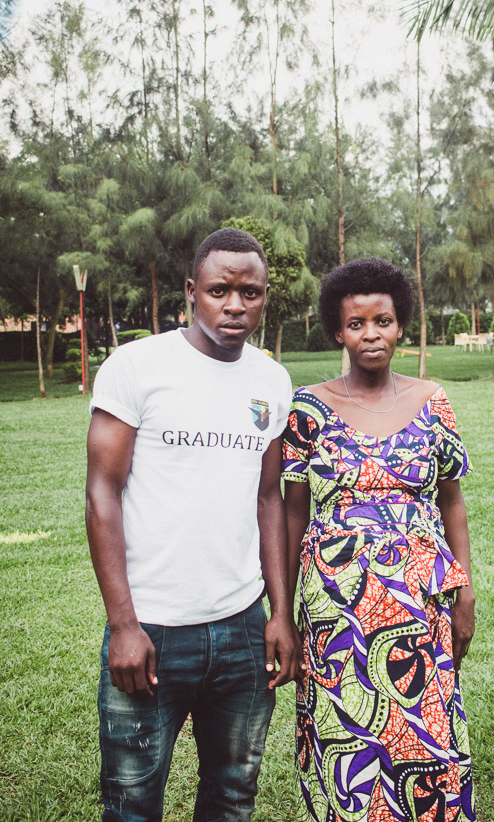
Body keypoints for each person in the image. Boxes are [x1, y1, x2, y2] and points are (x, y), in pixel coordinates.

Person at [85, 228, 300, 822]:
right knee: (131, 802)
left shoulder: (271, 381)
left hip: (241, 630)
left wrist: (279, 615)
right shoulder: (137, 366)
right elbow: (102, 491)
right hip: (151, 631)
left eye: (250, 293)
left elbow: (268, 499)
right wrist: (123, 624)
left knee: (233, 797)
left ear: (263, 297)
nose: (235, 306)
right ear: (191, 292)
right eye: (219, 291)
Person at [283, 258, 476, 822]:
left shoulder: (432, 400)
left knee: (430, 735)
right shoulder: (308, 408)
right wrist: (286, 611)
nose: (372, 334)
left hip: (422, 599)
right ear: (337, 332)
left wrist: (463, 593)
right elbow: (293, 516)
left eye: (383, 321)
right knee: (349, 741)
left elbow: (452, 502)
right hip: (336, 607)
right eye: (357, 324)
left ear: (401, 325)